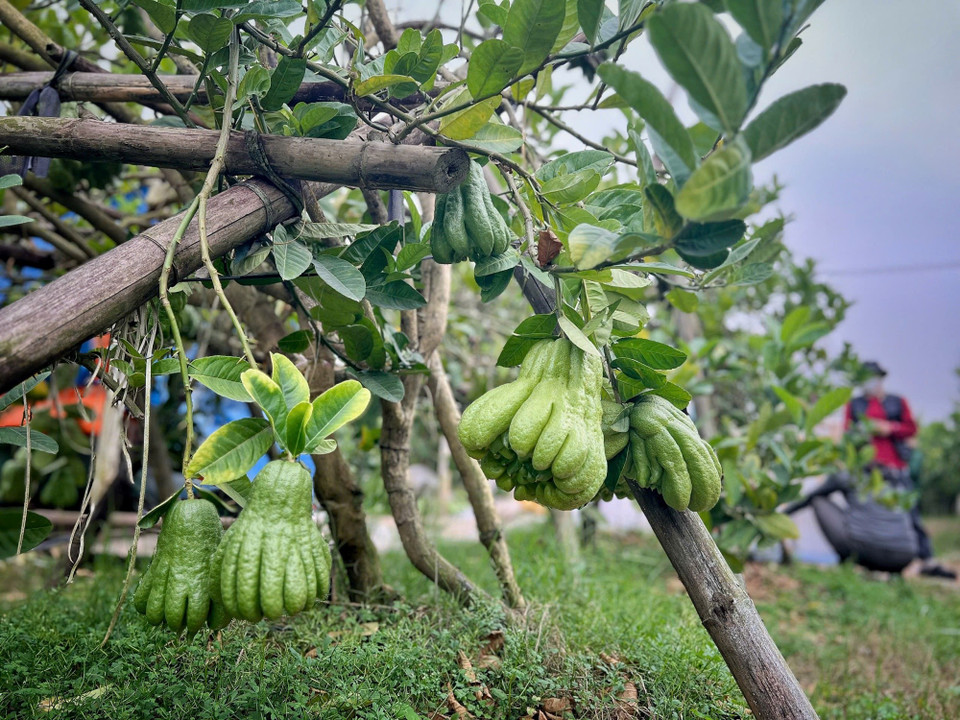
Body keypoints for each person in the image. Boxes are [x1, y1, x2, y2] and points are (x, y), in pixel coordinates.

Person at [785, 362, 955, 579]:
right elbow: (848, 433)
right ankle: (873, 560)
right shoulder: (855, 405)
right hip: (868, 468)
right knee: (868, 511)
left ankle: (927, 559)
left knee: (909, 516)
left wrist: (889, 428)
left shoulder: (897, 402)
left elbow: (911, 428)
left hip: (895, 470)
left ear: (881, 378)